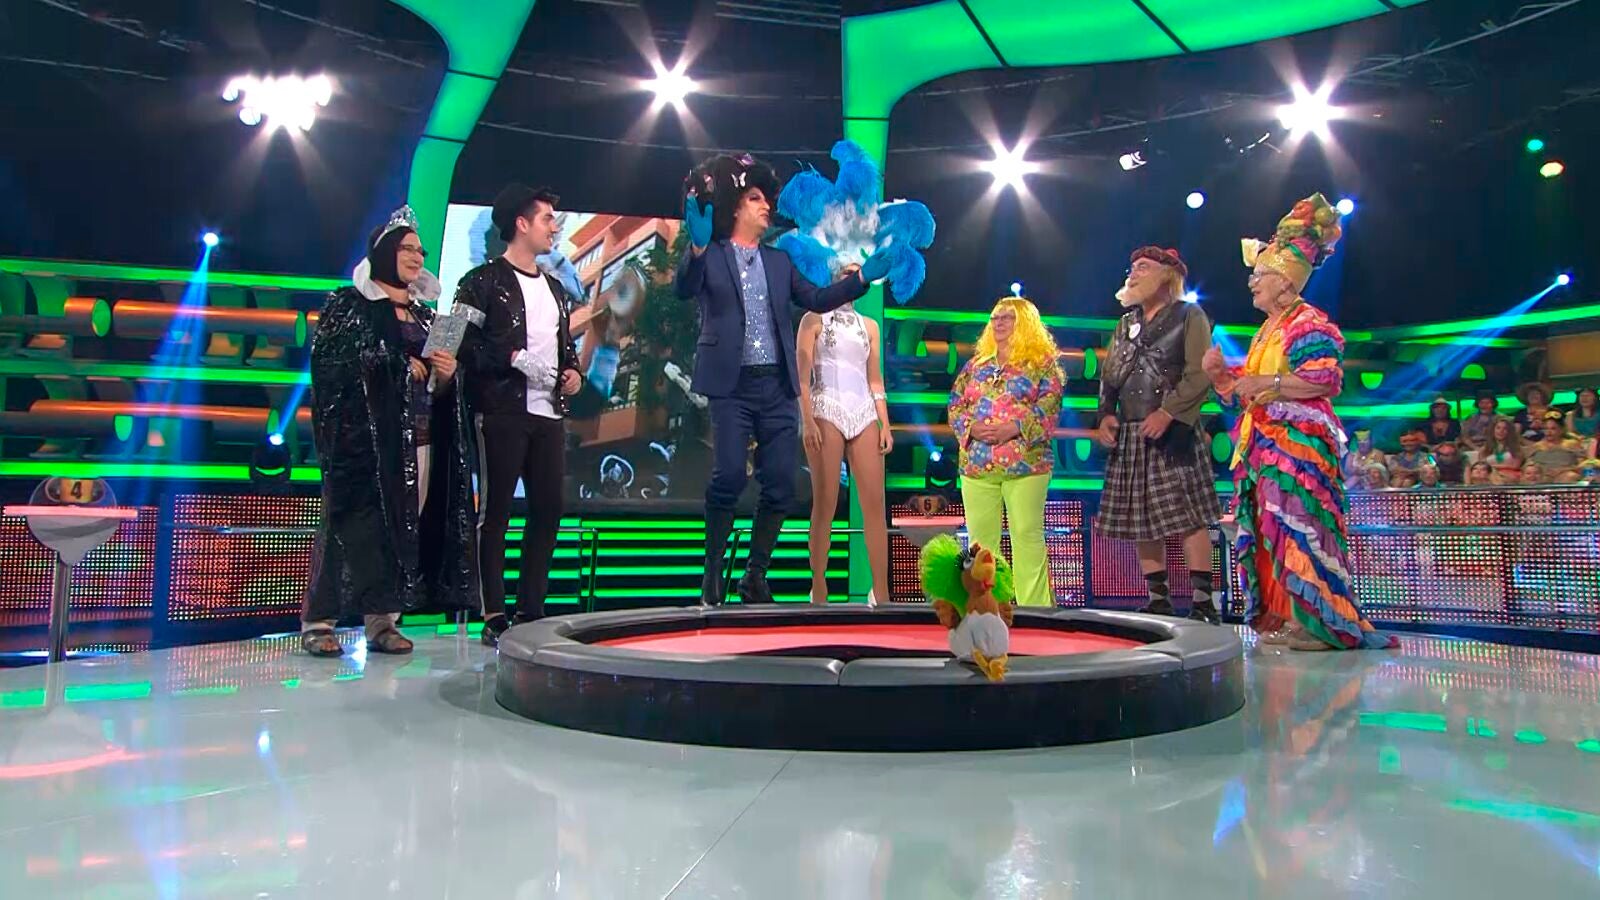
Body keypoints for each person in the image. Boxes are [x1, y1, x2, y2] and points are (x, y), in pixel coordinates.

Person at [676, 152, 887, 605]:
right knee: (729, 476)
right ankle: (712, 571)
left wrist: (862, 279)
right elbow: (683, 288)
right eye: (756, 199)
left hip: (776, 387)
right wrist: (696, 250)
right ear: (736, 206)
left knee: (782, 484)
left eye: (766, 199)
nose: (766, 206)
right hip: (731, 386)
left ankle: (754, 574)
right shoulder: (711, 254)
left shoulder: (778, 262)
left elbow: (817, 297)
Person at [1202, 192, 1394, 651]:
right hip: (1263, 446)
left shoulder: (1309, 323)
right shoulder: (1266, 331)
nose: (1252, 283)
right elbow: (1252, 394)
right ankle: (1290, 615)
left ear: (1286, 282)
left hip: (1298, 448)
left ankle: (1322, 623)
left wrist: (1262, 381)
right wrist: (1222, 379)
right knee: (1271, 528)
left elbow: (1323, 379)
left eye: (1260, 276)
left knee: (1301, 526)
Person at [302, 206, 478, 657]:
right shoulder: (348, 306)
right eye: (407, 249)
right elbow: (334, 367)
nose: (417, 257)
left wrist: (446, 374)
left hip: (419, 441)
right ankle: (318, 622)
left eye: (420, 251)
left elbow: (438, 385)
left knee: (403, 529)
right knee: (349, 528)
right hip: (364, 447)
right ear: (384, 253)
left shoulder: (425, 317)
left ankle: (383, 622)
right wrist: (398, 366)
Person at [455, 184, 583, 647]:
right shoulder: (479, 281)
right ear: (521, 224)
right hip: (501, 411)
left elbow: (566, 347)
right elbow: (456, 342)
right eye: (547, 218)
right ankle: (493, 613)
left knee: (548, 509)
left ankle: (531, 609)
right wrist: (509, 356)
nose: (555, 228)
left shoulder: (555, 288)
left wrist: (574, 373)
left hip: (548, 414)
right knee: (496, 513)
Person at [1093, 247, 1223, 624]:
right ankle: (1158, 599)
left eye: (1143, 267)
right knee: (1141, 518)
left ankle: (1203, 602)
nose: (1133, 274)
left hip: (1173, 428)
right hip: (1132, 431)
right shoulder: (1126, 323)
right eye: (1132, 268)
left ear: (1166, 275)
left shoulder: (1189, 315)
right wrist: (1106, 414)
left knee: (1189, 516)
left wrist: (1168, 413)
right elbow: (1110, 375)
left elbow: (1199, 374)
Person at [948, 296, 1066, 607]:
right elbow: (955, 404)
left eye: (1007, 317)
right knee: (981, 546)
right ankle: (986, 609)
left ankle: (1035, 613)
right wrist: (971, 428)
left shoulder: (1042, 365)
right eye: (995, 318)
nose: (998, 323)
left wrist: (1013, 427)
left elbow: (1050, 407)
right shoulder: (976, 365)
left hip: (1026, 466)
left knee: (1026, 536)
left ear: (1024, 322)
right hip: (977, 468)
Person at [797, 302, 892, 606]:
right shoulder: (813, 318)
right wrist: (807, 421)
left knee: (874, 505)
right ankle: (818, 585)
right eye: (844, 277)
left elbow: (875, 380)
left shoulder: (870, 326)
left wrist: (885, 423)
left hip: (864, 411)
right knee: (826, 502)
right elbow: (802, 378)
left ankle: (881, 592)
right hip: (826, 406)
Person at [1528, 410, 1583, 482]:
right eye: (1546, 429)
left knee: (1569, 476)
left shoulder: (1572, 444)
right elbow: (1527, 466)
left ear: (1561, 430)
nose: (1549, 432)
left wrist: (1562, 470)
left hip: (1564, 475)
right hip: (1542, 477)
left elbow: (1582, 465)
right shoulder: (1537, 446)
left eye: (1553, 428)